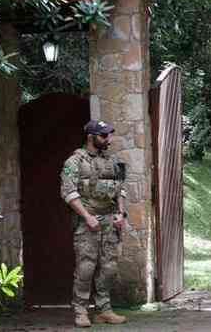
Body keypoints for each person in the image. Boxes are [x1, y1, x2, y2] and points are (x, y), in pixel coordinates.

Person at [60, 120, 128, 328]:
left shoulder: (113, 161)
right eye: (104, 136)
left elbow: (120, 189)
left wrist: (121, 213)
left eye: (109, 135)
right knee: (86, 267)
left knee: (109, 267)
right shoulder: (74, 162)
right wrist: (87, 217)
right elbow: (68, 193)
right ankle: (80, 311)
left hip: (109, 220)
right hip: (87, 222)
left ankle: (104, 310)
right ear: (91, 137)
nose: (109, 139)